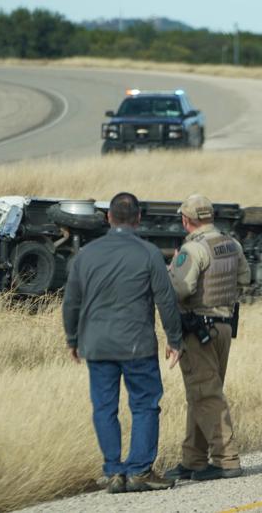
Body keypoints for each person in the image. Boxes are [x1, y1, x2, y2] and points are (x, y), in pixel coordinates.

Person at [63, 192, 184, 494]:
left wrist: (72, 338)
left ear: (108, 218)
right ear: (138, 218)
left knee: (104, 407)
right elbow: (165, 299)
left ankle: (114, 472)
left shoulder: (86, 255)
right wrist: (175, 338)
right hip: (136, 345)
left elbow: (71, 302)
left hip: (97, 345)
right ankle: (140, 471)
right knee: (144, 405)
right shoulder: (148, 253)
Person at [164, 194, 251, 481]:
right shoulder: (231, 244)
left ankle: (227, 459)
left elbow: (180, 290)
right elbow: (244, 279)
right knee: (201, 395)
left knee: (205, 394)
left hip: (197, 329)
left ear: (186, 220)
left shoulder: (193, 249)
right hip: (223, 327)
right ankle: (194, 459)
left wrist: (171, 270)